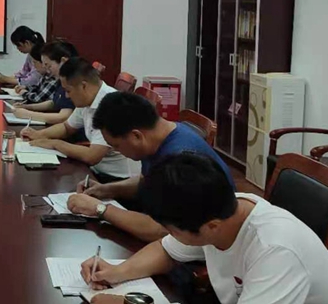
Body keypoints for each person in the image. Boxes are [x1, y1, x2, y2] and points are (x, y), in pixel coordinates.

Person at [80, 153, 328, 304]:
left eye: (173, 230)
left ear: (211, 227)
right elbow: (166, 250)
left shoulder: (276, 251)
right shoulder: (219, 208)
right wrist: (116, 272)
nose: (169, 235)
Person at [66, 92, 235, 242]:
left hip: (199, 244)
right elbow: (145, 181)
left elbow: (162, 230)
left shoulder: (180, 160)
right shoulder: (158, 136)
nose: (117, 151)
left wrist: (99, 209)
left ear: (136, 136)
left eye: (116, 145)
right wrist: (105, 190)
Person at [22, 57, 138, 180]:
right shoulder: (87, 100)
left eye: (68, 90)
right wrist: (39, 135)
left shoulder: (110, 105)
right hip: (94, 171)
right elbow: (66, 127)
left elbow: (92, 156)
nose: (67, 96)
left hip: (114, 180)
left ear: (83, 86)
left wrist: (55, 143)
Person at [13, 40, 78, 124]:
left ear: (63, 61)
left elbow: (63, 117)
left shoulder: (73, 82)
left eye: (48, 65)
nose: (47, 70)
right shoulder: (61, 80)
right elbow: (54, 103)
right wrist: (27, 107)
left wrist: (27, 114)